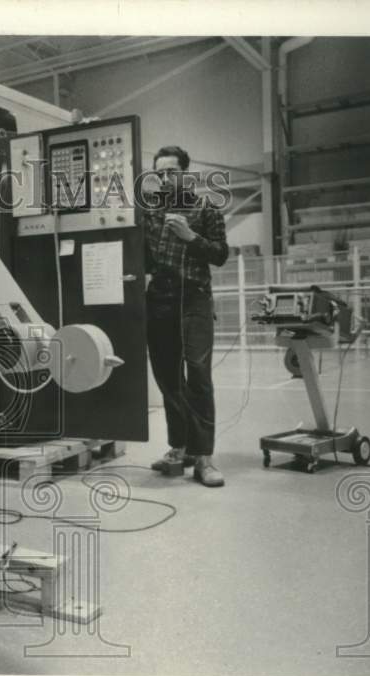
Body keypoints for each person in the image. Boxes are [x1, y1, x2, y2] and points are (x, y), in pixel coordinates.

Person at [143, 145, 229, 487]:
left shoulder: (205, 208)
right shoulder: (149, 212)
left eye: (172, 172)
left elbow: (221, 254)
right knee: (167, 378)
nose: (165, 178)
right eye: (159, 172)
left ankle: (204, 457)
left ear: (185, 174)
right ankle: (179, 448)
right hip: (159, 300)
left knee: (197, 374)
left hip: (194, 299)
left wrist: (190, 237)